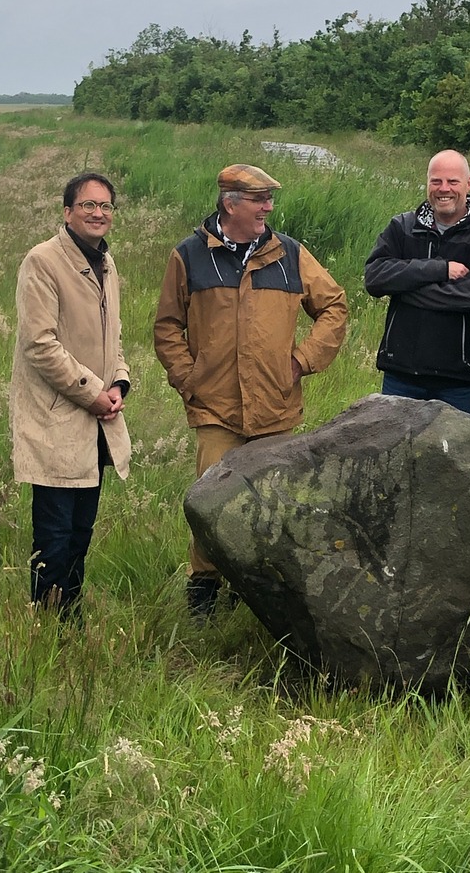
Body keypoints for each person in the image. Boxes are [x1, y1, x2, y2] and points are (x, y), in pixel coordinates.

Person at [154, 162, 348, 619]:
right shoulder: (189, 255)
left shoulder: (291, 255)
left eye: (269, 199)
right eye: (259, 199)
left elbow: (335, 307)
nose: (268, 207)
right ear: (230, 203)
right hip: (216, 411)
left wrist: (301, 362)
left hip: (275, 410)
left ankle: (256, 595)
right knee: (210, 506)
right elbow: (166, 327)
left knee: (269, 506)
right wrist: (189, 379)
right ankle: (203, 596)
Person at [10, 172, 131, 617]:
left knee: (82, 530)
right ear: (67, 212)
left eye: (105, 206)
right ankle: (46, 623)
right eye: (88, 205)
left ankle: (70, 617)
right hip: (57, 417)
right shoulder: (42, 261)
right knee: (55, 534)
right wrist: (92, 393)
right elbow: (39, 345)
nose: (98, 213)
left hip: (98, 418)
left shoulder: (106, 262)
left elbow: (112, 337)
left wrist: (118, 382)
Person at [364, 149, 470, 415]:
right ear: (427, 182)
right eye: (436, 181)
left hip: (459, 381)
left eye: (453, 181)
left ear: (469, 183)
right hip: (402, 375)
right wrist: (437, 269)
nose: (444, 189)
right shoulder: (402, 227)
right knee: (397, 456)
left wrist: (407, 289)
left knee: (455, 457)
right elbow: (374, 278)